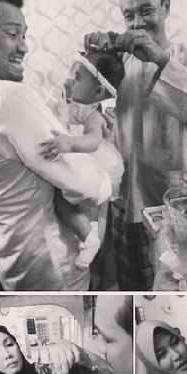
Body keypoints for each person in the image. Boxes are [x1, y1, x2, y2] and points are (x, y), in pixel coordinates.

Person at [84, 0, 187, 290]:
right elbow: (82, 103)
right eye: (129, 15)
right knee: (132, 285)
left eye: (146, 10)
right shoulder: (119, 62)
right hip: (125, 195)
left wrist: (161, 59)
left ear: (166, 6)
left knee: (173, 283)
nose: (138, 22)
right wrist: (95, 58)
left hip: (171, 198)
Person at [0, 0, 113, 291]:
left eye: (23, 35)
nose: (23, 47)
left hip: (12, 257)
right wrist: (104, 180)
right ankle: (91, 239)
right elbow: (86, 184)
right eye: (12, 33)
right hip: (49, 264)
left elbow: (87, 140)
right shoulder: (9, 97)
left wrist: (79, 145)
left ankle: (91, 238)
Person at [40, 50, 125, 269]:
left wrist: (70, 143)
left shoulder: (92, 113)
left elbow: (94, 140)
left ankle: (90, 238)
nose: (70, 79)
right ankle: (91, 237)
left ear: (98, 92)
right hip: (81, 167)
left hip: (94, 166)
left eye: (77, 77)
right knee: (79, 208)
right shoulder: (71, 105)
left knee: (65, 202)